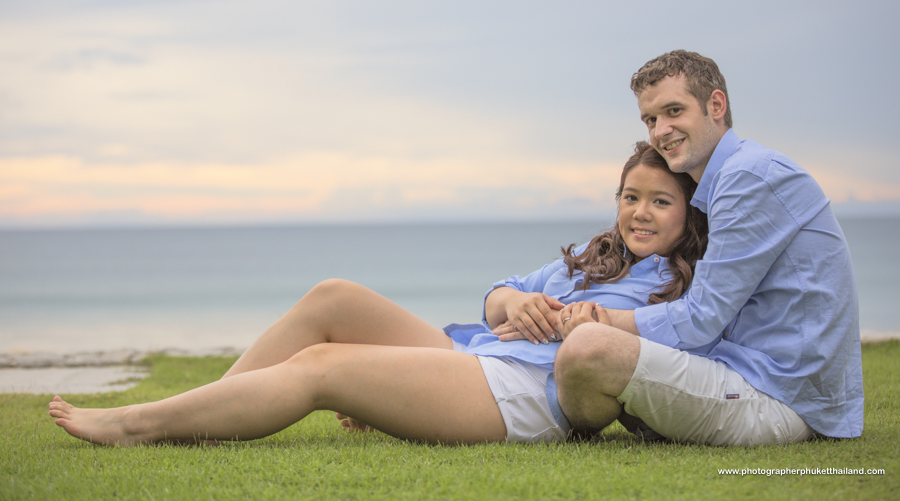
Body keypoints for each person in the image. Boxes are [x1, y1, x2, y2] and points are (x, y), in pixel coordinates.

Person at [48, 142, 708, 447]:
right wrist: (516, 304)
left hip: (522, 397)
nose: (640, 213)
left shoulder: (685, 282)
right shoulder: (598, 255)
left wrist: (573, 320)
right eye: (630, 197)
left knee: (321, 371)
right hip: (470, 354)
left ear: (690, 211)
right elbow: (497, 295)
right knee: (332, 296)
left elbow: (655, 347)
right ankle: (201, 411)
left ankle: (139, 426)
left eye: (660, 201)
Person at [549, 50, 864, 447]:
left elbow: (701, 319)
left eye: (674, 111)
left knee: (588, 347)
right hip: (745, 373)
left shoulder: (746, 178)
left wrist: (597, 317)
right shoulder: (726, 180)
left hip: (780, 397)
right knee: (592, 348)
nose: (661, 131)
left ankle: (545, 410)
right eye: (651, 119)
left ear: (716, 105)